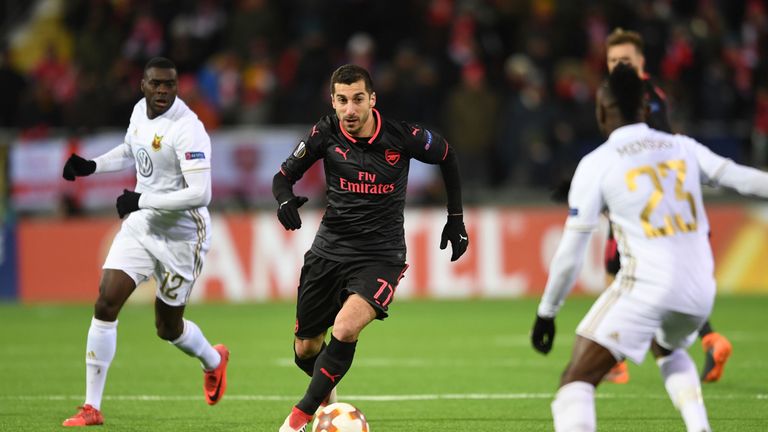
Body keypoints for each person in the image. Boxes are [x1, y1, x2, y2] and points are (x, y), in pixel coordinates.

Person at [531, 62, 768, 432]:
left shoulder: (598, 163)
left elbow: (570, 253)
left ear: (601, 111)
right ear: (645, 109)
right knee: (668, 347)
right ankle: (699, 426)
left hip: (647, 287)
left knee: (574, 383)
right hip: (701, 293)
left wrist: (547, 312)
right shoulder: (683, 147)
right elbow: (743, 179)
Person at [273, 64, 468, 432]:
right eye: (342, 101)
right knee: (306, 349)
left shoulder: (401, 136)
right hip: (329, 250)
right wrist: (284, 200)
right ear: (333, 102)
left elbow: (447, 155)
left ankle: (296, 421)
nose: (350, 110)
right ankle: (328, 407)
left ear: (372, 99)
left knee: (345, 329)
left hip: (381, 255)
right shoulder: (324, 132)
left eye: (358, 99)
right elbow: (283, 177)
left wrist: (455, 218)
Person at [60, 57, 229, 427]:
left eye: (169, 85)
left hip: (183, 236)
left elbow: (201, 193)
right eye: (156, 84)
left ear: (177, 86)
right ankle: (92, 407)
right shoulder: (140, 112)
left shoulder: (189, 128)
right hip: (142, 227)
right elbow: (130, 150)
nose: (163, 91)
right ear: (144, 86)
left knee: (168, 328)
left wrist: (141, 199)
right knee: (106, 301)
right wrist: (92, 166)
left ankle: (214, 361)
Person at [601, 28, 732, 384]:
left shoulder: (645, 99)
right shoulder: (636, 95)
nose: (617, 66)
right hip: (654, 201)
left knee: (617, 268)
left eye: (624, 60)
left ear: (641, 62)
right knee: (624, 268)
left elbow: (652, 150)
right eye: (612, 60)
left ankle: (615, 356)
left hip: (645, 205)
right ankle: (710, 338)